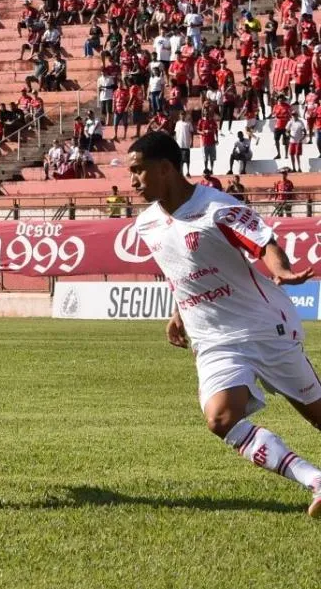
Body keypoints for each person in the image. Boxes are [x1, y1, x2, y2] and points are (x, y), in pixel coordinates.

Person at [128, 132, 321, 517]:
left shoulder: (216, 206)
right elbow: (179, 269)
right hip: (213, 339)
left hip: (263, 328)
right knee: (220, 419)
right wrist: (179, 312)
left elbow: (263, 243)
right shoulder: (146, 224)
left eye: (138, 170)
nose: (133, 180)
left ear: (165, 168)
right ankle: (314, 479)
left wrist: (280, 271)